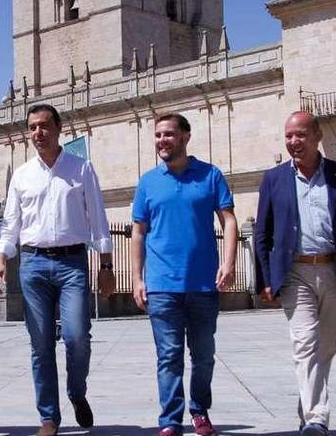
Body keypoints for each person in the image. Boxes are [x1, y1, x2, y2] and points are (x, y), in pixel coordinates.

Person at [0, 104, 116, 436]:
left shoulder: (82, 169)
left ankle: (77, 392)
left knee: (77, 337)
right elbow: (11, 225)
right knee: (40, 343)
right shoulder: (22, 175)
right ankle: (49, 417)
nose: (38, 133)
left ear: (59, 129)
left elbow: (99, 219)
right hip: (32, 264)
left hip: (72, 262)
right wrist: (1, 259)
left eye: (45, 126)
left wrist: (106, 265)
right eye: (32, 127)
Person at [254, 111, 336, 436]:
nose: (294, 142)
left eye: (301, 135)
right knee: (305, 343)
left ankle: (307, 403)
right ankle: (317, 418)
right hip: (295, 273)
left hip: (332, 269)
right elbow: (262, 232)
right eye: (289, 135)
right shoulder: (274, 178)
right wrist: (264, 279)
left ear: (317, 136)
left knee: (326, 346)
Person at [131, 113, 237, 436]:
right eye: (158, 135)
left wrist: (229, 263)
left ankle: (199, 409)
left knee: (204, 355)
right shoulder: (148, 182)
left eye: (168, 134)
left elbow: (229, 221)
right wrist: (137, 278)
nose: (162, 140)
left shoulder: (210, 175)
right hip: (162, 286)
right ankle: (170, 420)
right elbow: (138, 231)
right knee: (169, 356)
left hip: (204, 283)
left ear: (185, 137)